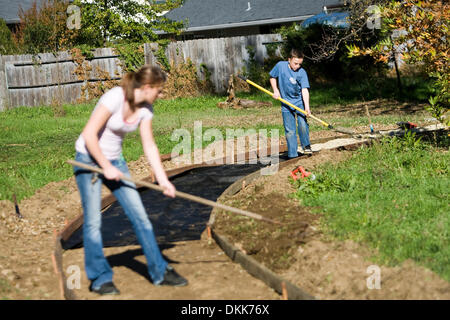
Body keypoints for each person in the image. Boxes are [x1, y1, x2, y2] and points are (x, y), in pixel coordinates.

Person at [73, 65, 188, 295]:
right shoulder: (115, 97)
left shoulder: (147, 110)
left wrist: (164, 180)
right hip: (89, 161)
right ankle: (100, 279)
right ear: (146, 87)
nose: (161, 95)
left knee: (141, 218)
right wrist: (104, 167)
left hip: (115, 163)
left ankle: (160, 271)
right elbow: (89, 134)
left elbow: (149, 145)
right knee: (94, 223)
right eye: (159, 90)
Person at [269, 49, 312, 158]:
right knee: (290, 130)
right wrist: (276, 90)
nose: (298, 66)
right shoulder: (280, 66)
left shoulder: (302, 72)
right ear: (289, 60)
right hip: (286, 103)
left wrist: (307, 107)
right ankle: (292, 154)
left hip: (299, 103)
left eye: (300, 64)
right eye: (295, 63)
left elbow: (304, 90)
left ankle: (306, 146)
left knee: (302, 124)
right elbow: (272, 77)